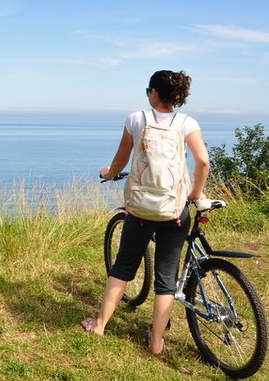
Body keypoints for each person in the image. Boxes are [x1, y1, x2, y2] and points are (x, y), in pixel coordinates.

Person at [84, 70, 210, 355]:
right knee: (167, 278)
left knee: (124, 267)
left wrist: (108, 173)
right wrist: (195, 194)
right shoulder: (187, 123)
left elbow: (120, 160)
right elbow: (202, 161)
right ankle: (155, 342)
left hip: (140, 210)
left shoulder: (136, 119)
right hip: (174, 211)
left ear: (153, 93)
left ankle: (100, 325)